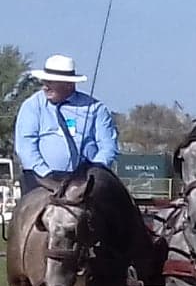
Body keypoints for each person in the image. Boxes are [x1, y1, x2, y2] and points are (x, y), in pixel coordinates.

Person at [12, 54, 119, 192]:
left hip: (85, 181)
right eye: (44, 82)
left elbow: (108, 146)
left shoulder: (95, 109)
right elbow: (26, 146)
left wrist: (95, 171)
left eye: (51, 83)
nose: (45, 87)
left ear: (69, 84)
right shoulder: (32, 106)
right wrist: (46, 174)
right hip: (40, 179)